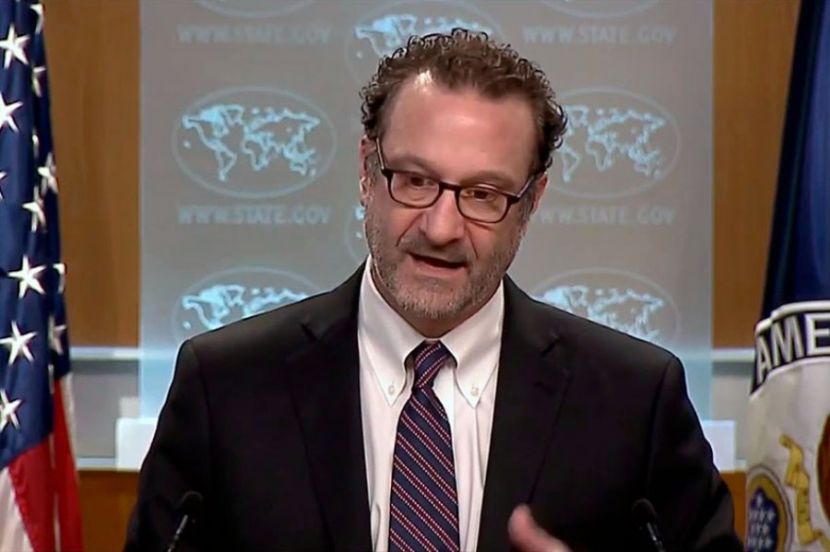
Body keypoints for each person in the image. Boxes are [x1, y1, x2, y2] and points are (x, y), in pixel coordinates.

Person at [125, 29, 742, 551]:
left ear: (532, 202)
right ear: (367, 171)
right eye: (415, 180)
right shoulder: (226, 387)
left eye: (483, 194)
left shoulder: (633, 401)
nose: (441, 228)